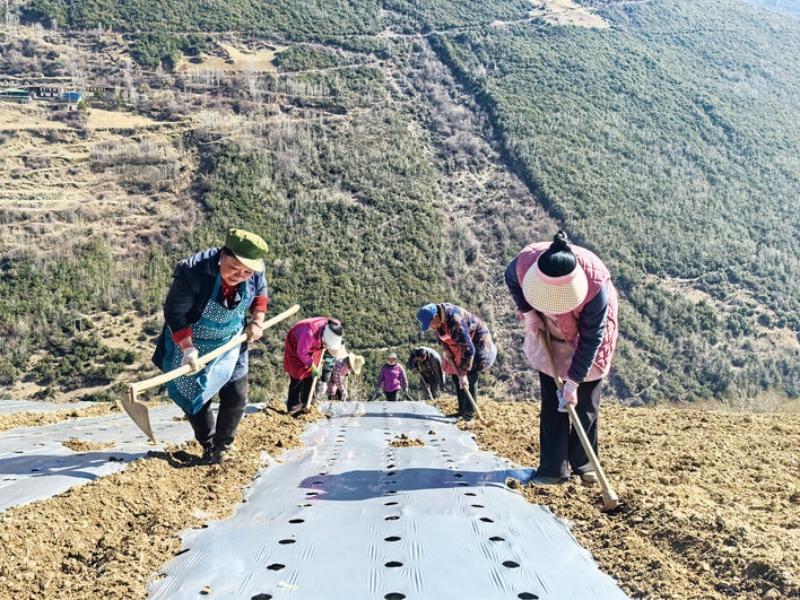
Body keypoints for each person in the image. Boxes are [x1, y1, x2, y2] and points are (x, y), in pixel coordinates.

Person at [505, 231, 619, 484]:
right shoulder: (526, 262)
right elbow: (511, 278)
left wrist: (573, 382)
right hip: (549, 332)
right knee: (552, 400)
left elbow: (592, 339)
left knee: (585, 403)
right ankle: (553, 469)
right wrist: (529, 313)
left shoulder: (596, 286)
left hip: (588, 337)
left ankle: (584, 463)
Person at [152, 228, 270, 464]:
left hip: (231, 340)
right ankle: (208, 444)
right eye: (234, 267)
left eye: (247, 272)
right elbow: (175, 313)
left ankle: (223, 447)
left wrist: (257, 321)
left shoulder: (254, 270)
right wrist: (188, 348)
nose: (240, 275)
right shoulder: (192, 272)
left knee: (236, 394)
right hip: (191, 340)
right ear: (222, 255)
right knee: (194, 394)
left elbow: (260, 292)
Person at [416, 303, 497, 420]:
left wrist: (463, 373)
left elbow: (469, 349)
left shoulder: (455, 320)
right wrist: (445, 349)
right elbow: (440, 335)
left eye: (431, 324)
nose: (431, 327)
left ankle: (469, 413)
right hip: (458, 344)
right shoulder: (438, 319)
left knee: (469, 375)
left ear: (435, 316)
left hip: (476, 342)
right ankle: (462, 411)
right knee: (455, 375)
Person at [283, 317, 345, 416]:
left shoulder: (335, 326)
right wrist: (311, 365)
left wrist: (324, 380)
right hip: (296, 344)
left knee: (311, 375)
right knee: (297, 375)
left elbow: (330, 358)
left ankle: (308, 402)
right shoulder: (309, 333)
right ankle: (293, 407)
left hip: (314, 346)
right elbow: (302, 353)